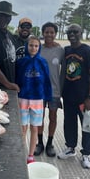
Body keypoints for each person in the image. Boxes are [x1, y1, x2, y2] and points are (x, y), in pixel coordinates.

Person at [57, 24, 90, 169]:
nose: (72, 34)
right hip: (68, 96)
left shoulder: (88, 51)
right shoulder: (66, 50)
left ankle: (86, 154)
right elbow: (63, 72)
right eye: (69, 32)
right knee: (69, 124)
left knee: (86, 126)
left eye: (75, 32)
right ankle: (70, 148)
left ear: (81, 33)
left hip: (83, 98)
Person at [16, 35, 52, 164]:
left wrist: (48, 97)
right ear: (27, 46)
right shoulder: (21, 62)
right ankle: (20, 152)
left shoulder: (43, 62)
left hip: (37, 99)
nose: (33, 48)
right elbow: (16, 80)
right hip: (23, 98)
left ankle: (30, 155)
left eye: (36, 46)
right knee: (23, 128)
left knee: (35, 128)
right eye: (31, 45)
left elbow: (47, 81)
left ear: (39, 47)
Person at [34, 22, 64, 157]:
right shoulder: (38, 48)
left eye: (52, 32)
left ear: (55, 34)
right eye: (47, 32)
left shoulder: (60, 50)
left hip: (54, 90)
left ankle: (50, 143)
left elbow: (66, 70)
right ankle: (39, 142)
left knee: (53, 116)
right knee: (39, 117)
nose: (49, 35)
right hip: (39, 90)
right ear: (43, 33)